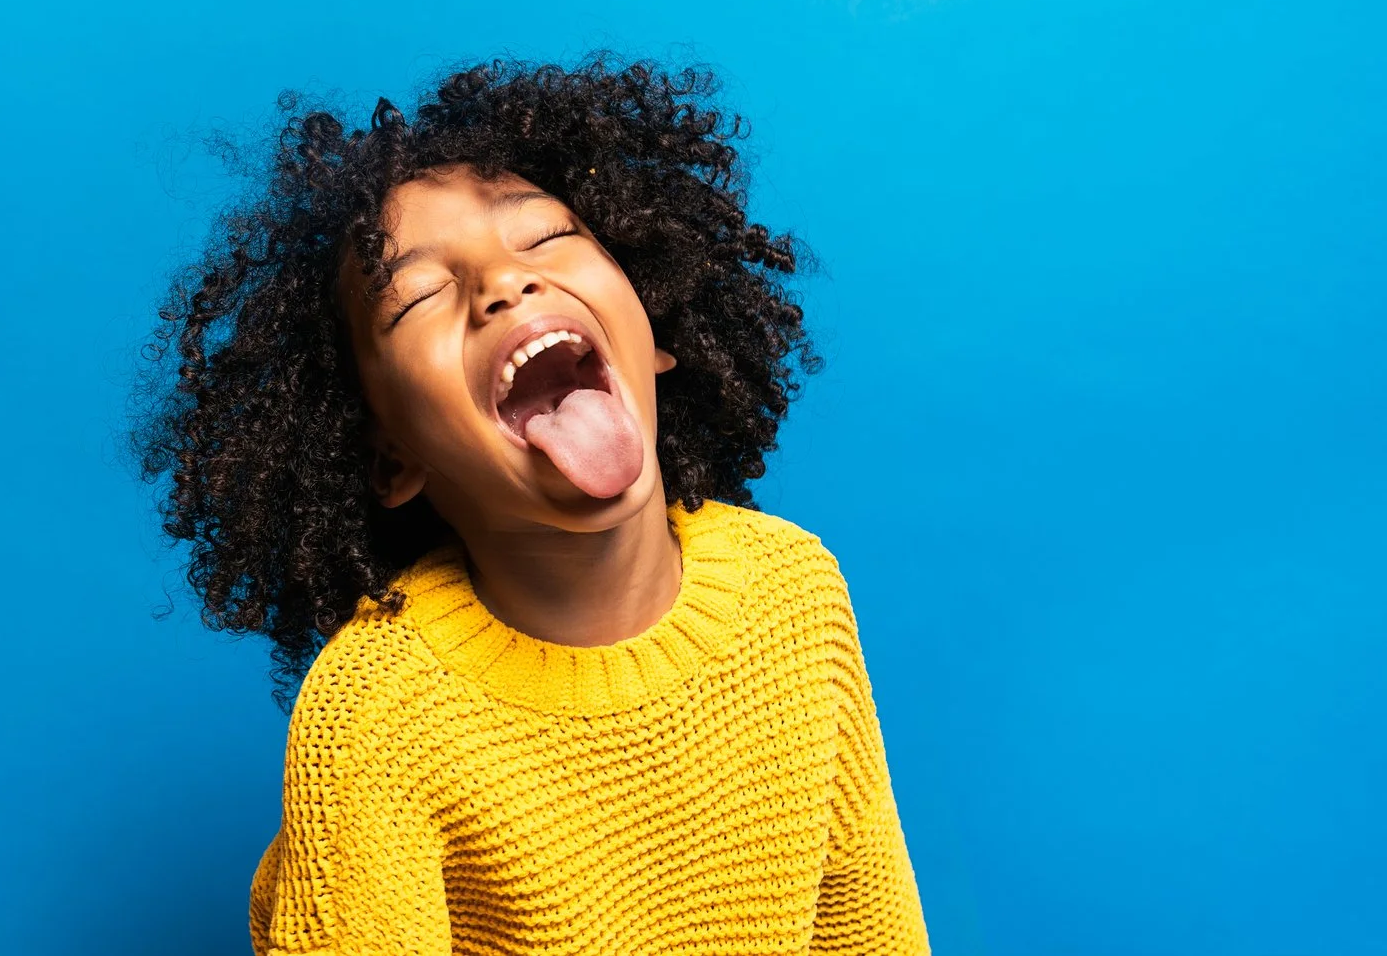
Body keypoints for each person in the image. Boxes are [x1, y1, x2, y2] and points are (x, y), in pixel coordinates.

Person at [128, 54, 932, 954]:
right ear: (389, 455)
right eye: (420, 294)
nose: (503, 282)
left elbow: (870, 931)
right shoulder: (372, 718)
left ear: (655, 327)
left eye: (544, 237)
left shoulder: (796, 591)